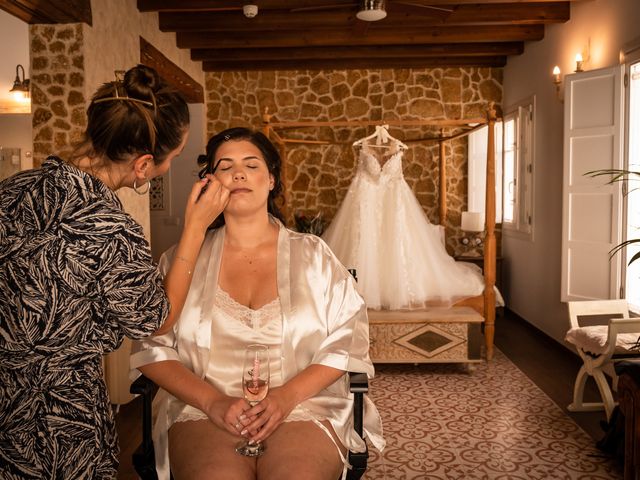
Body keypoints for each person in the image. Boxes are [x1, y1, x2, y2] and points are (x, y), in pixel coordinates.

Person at [0, 65, 229, 479]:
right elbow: (155, 321)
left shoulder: (13, 189)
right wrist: (195, 227)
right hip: (59, 417)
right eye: (171, 160)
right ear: (143, 165)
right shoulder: (112, 229)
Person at [131, 127, 385, 480]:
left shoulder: (315, 256)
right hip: (201, 409)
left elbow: (348, 339)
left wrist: (285, 398)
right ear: (209, 182)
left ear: (271, 180)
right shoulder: (179, 261)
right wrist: (212, 401)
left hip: (304, 407)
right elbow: (150, 345)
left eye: (251, 165)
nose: (238, 173)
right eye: (225, 166)